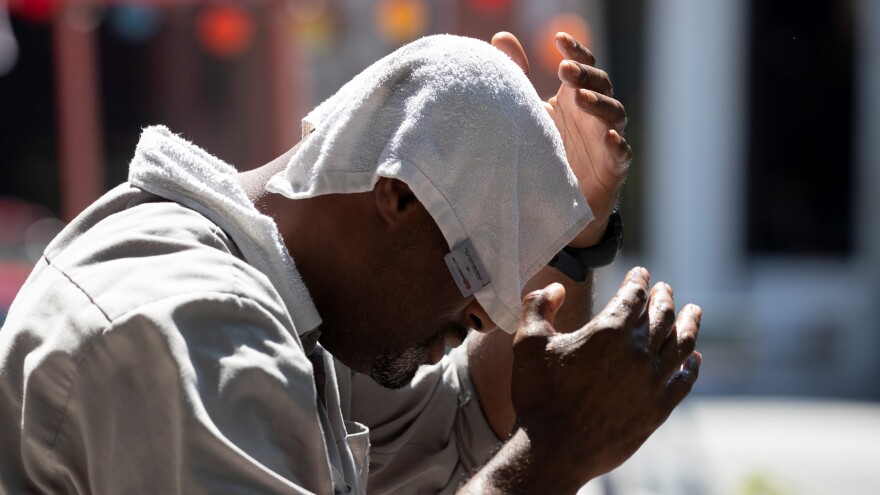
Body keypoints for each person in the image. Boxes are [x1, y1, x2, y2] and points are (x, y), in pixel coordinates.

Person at [0, 31, 701, 494]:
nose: (485, 319)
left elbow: (469, 430)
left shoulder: (295, 312)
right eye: (475, 279)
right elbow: (512, 450)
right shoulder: (195, 325)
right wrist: (555, 456)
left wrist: (568, 234)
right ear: (396, 195)